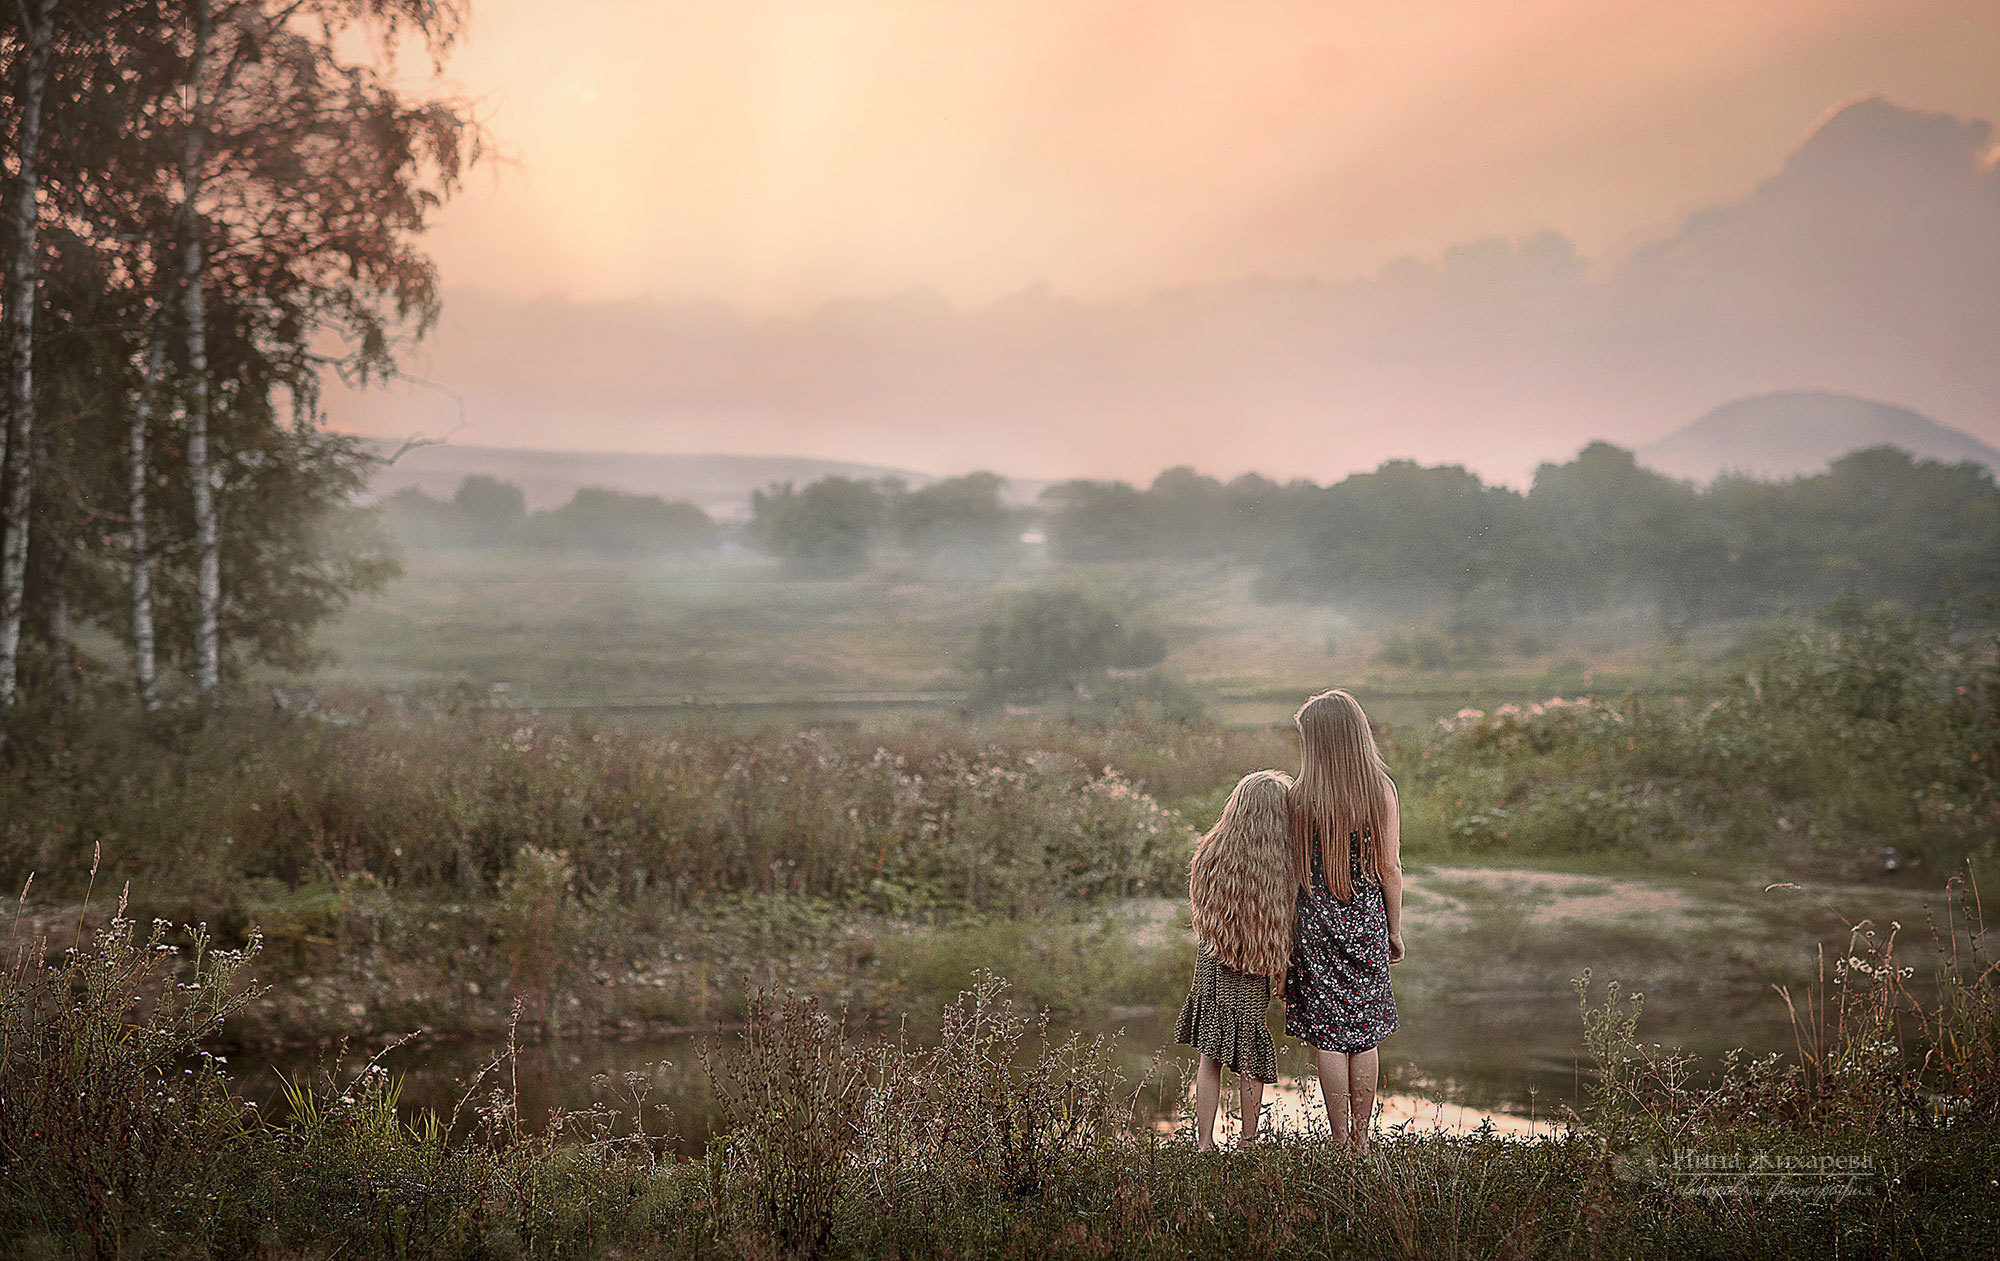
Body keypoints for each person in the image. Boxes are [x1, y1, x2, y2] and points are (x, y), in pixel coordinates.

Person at [1285, 689, 1403, 1152]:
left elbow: (1293, 872)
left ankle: (1338, 1143)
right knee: (1365, 1032)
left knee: (1328, 1035)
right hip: (1366, 919)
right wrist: (1393, 928)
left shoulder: (1299, 797)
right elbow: (1390, 868)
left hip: (1315, 924)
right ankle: (1362, 1139)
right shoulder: (1381, 791)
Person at [1174, 768, 1296, 1151]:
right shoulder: (1280, 865)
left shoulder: (1210, 850)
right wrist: (1281, 970)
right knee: (1250, 1055)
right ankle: (1247, 1141)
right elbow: (1280, 923)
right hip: (1253, 965)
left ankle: (1204, 1142)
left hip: (1213, 960)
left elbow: (1200, 905)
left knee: (1209, 1057)